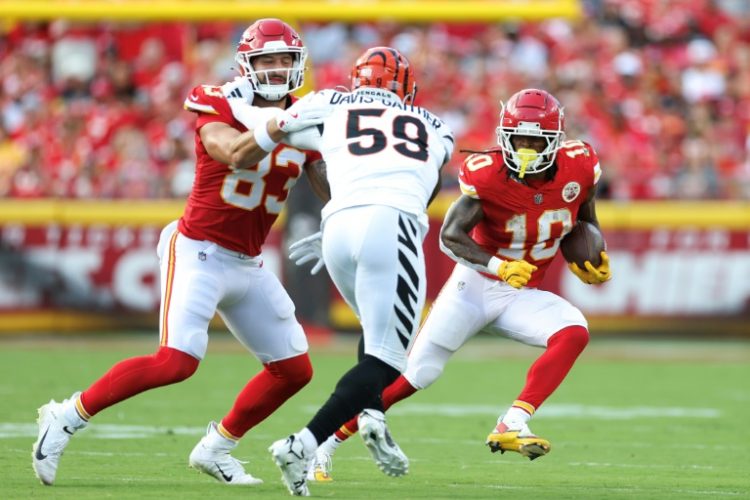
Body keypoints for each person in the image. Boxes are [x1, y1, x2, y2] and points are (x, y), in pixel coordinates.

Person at [31, 18, 330, 487]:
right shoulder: (221, 101)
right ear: (246, 65)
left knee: (294, 370)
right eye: (266, 60)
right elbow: (231, 152)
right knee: (176, 362)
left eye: (284, 60)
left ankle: (216, 447)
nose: (276, 69)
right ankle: (66, 414)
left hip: (248, 262)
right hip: (199, 249)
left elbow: (328, 186)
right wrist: (280, 126)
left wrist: (344, 217)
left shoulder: (305, 118)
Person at [303, 88, 612, 481]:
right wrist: (498, 266)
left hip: (521, 294)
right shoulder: (488, 174)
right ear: (505, 136)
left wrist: (593, 254)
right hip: (476, 286)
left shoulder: (580, 165)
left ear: (556, 140)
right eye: (520, 139)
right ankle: (323, 445)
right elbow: (449, 236)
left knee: (573, 331)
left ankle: (512, 422)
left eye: (537, 140)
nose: (528, 149)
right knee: (414, 374)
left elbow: (585, 214)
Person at [255, 46, 455, 496]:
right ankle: (305, 443)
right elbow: (429, 178)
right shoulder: (435, 126)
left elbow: (281, 131)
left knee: (374, 330)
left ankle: (372, 414)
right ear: (407, 90)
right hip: (391, 222)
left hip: (337, 224)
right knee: (389, 360)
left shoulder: (328, 103)